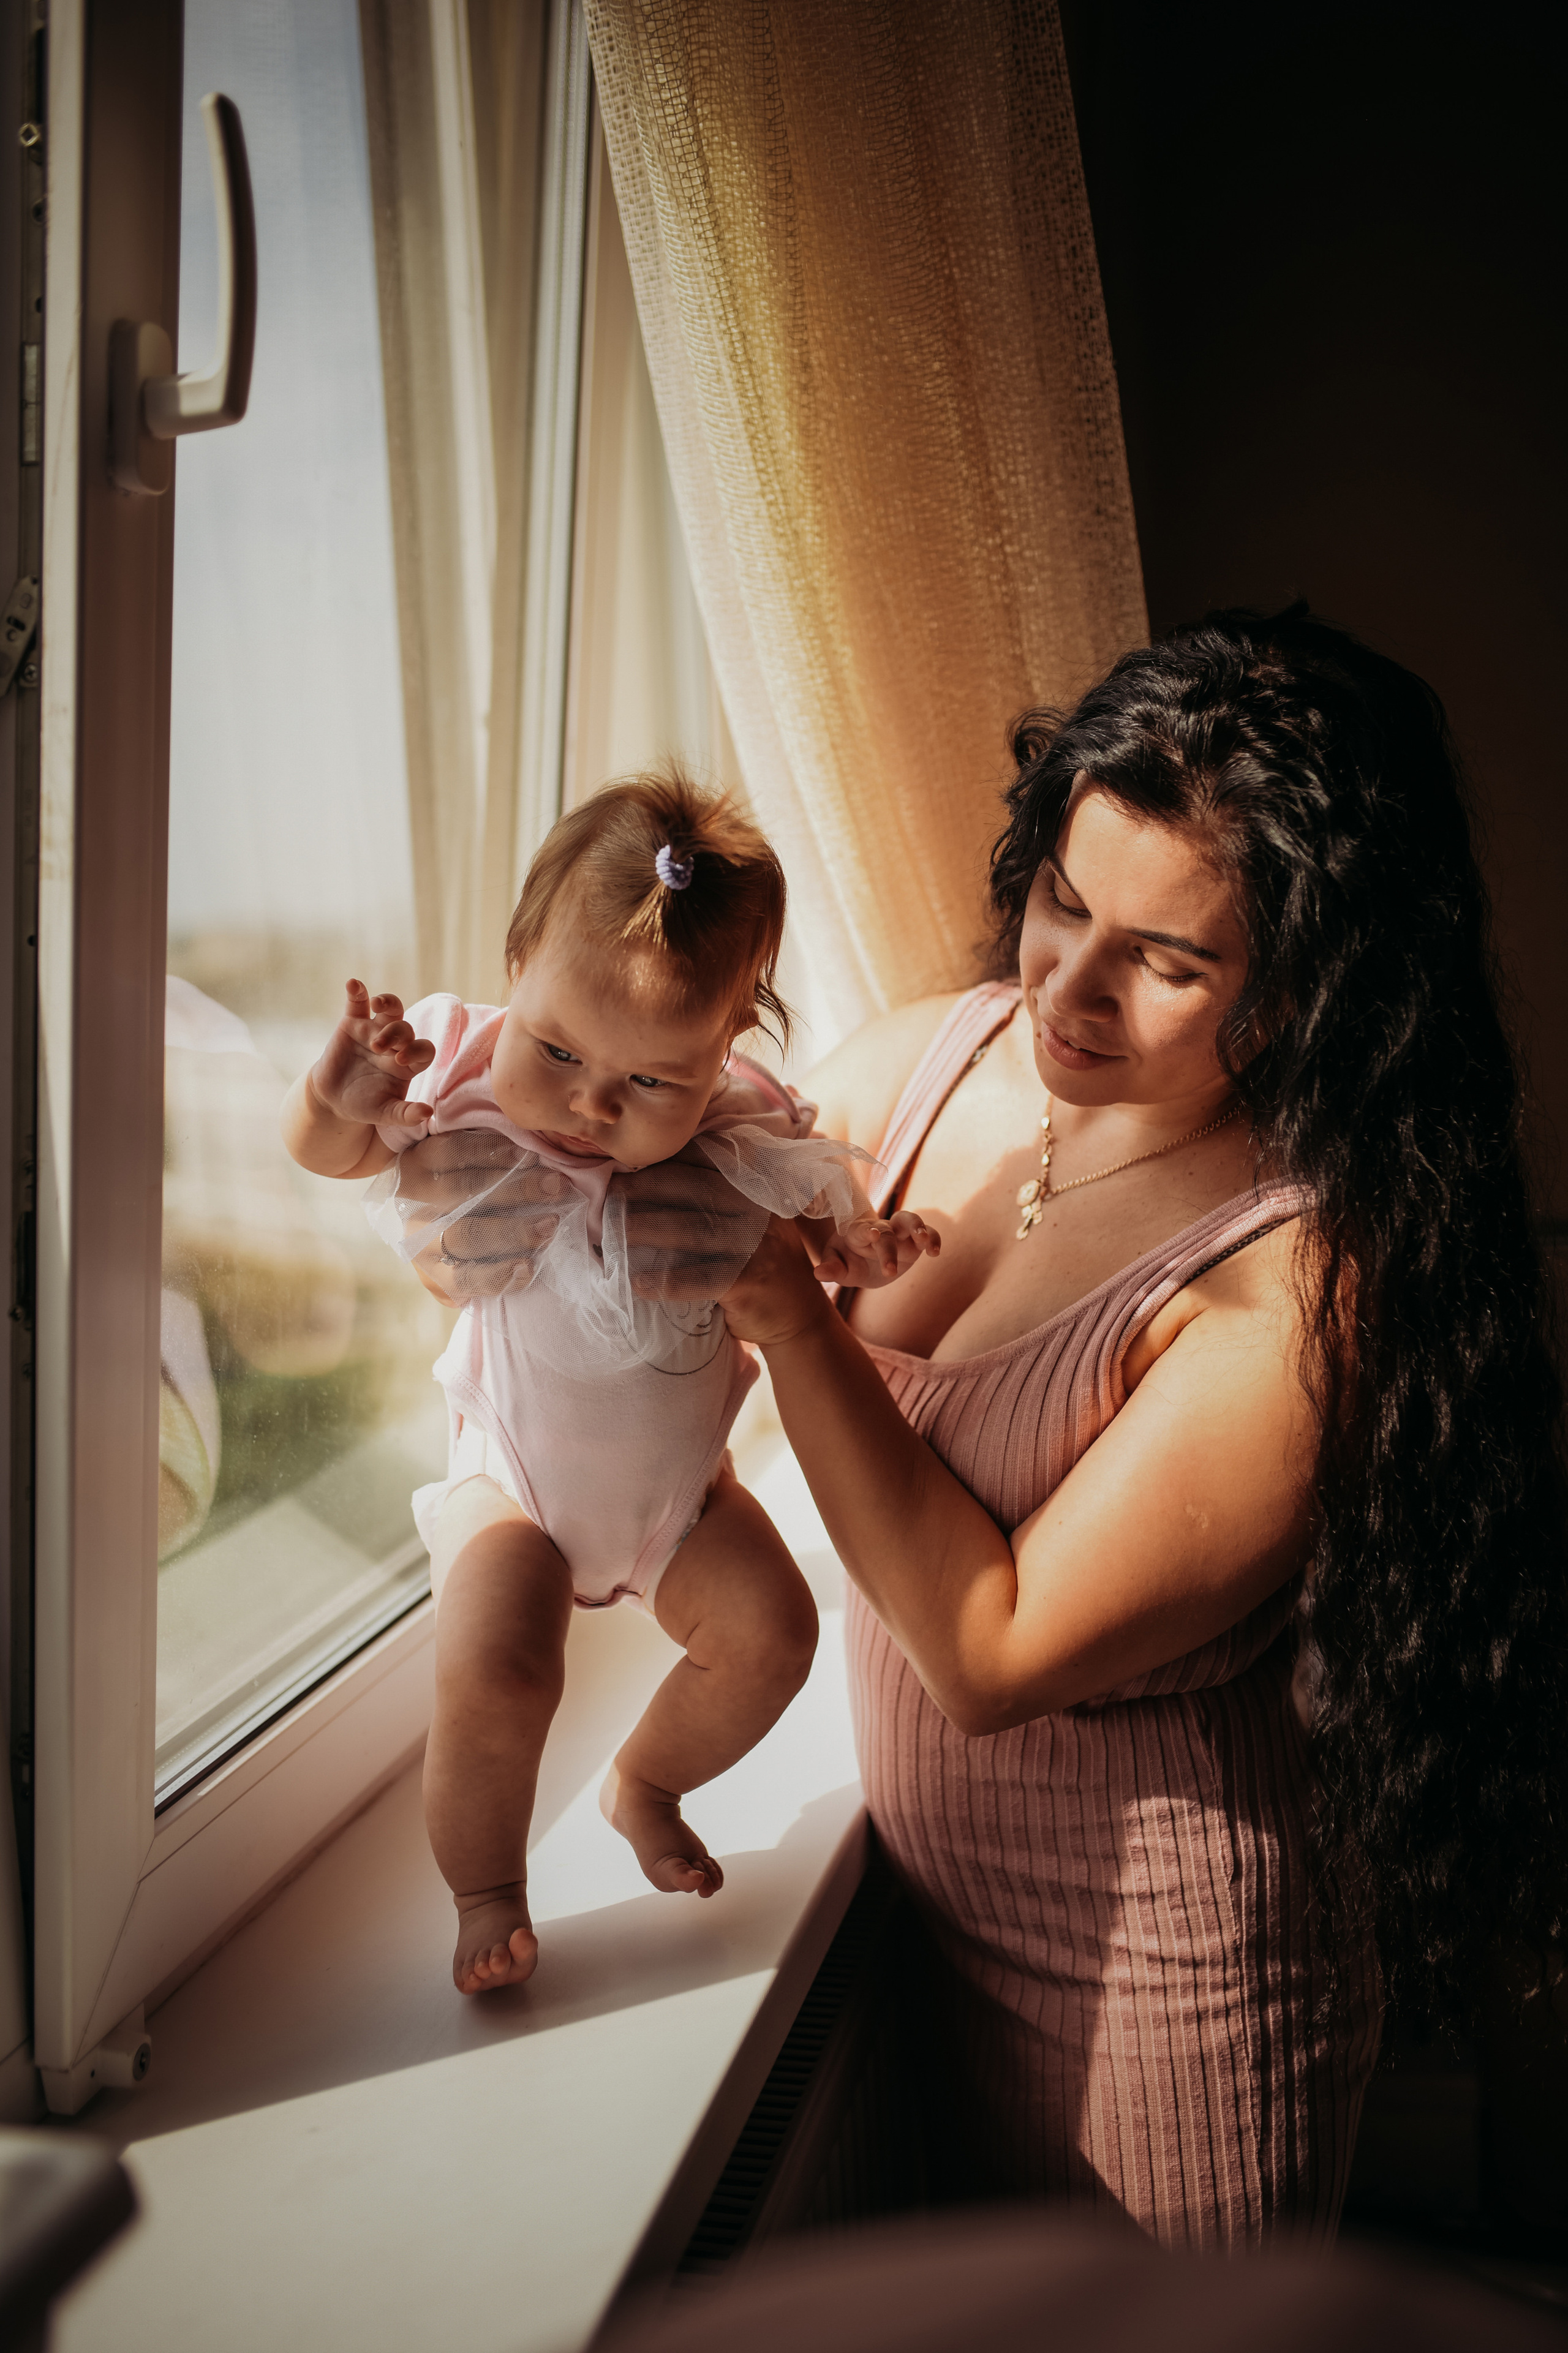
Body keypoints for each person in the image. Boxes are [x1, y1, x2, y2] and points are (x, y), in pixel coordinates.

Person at [434, 608, 1562, 2246]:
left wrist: (789, 1316)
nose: (1068, 990)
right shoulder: (928, 1060)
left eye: (1168, 963)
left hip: (1170, 1994)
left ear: (1322, 991)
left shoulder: (1306, 1278)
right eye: (1061, 903)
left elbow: (990, 1648)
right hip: (909, 1922)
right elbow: (609, 1231)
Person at [281, 774, 938, 1996]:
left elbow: (809, 1236)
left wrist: (864, 1246)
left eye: (650, 1083)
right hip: (514, 1489)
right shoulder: (458, 1064)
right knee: (498, 1671)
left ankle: (646, 1781)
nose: (591, 1103)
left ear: (724, 1048)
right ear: (516, 964)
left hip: (682, 1503)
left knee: (775, 1636)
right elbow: (337, 1157)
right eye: (563, 1050)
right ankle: (487, 1884)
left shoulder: (742, 1124)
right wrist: (335, 1099)